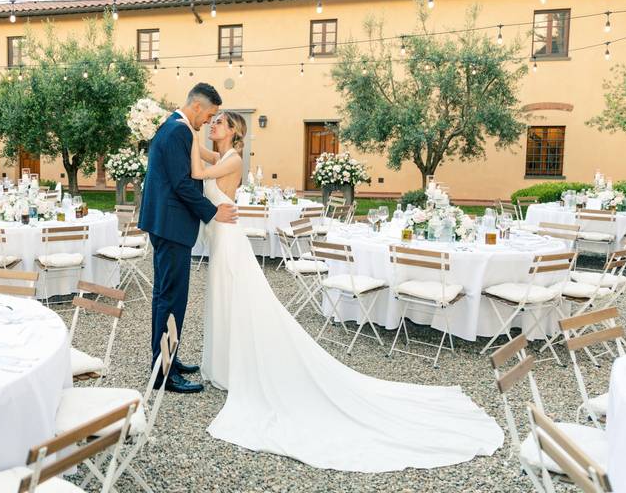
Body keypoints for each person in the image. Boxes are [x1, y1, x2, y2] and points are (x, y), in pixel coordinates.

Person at [179, 110, 504, 472]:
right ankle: (225, 365)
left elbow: (196, 172)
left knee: (235, 300)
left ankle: (234, 367)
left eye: (218, 122)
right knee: (226, 300)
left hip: (228, 237)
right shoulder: (222, 155)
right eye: (211, 121)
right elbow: (203, 157)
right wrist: (190, 130)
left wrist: (187, 129)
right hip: (223, 237)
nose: (212, 125)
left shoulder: (233, 158)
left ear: (233, 131)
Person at [138, 83, 238, 394]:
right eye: (209, 115)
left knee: (164, 298)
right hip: (172, 226)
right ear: (197, 107)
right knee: (172, 300)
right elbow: (182, 184)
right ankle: (164, 374)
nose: (208, 121)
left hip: (166, 225)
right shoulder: (179, 131)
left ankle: (167, 360)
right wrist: (212, 212)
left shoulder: (173, 127)